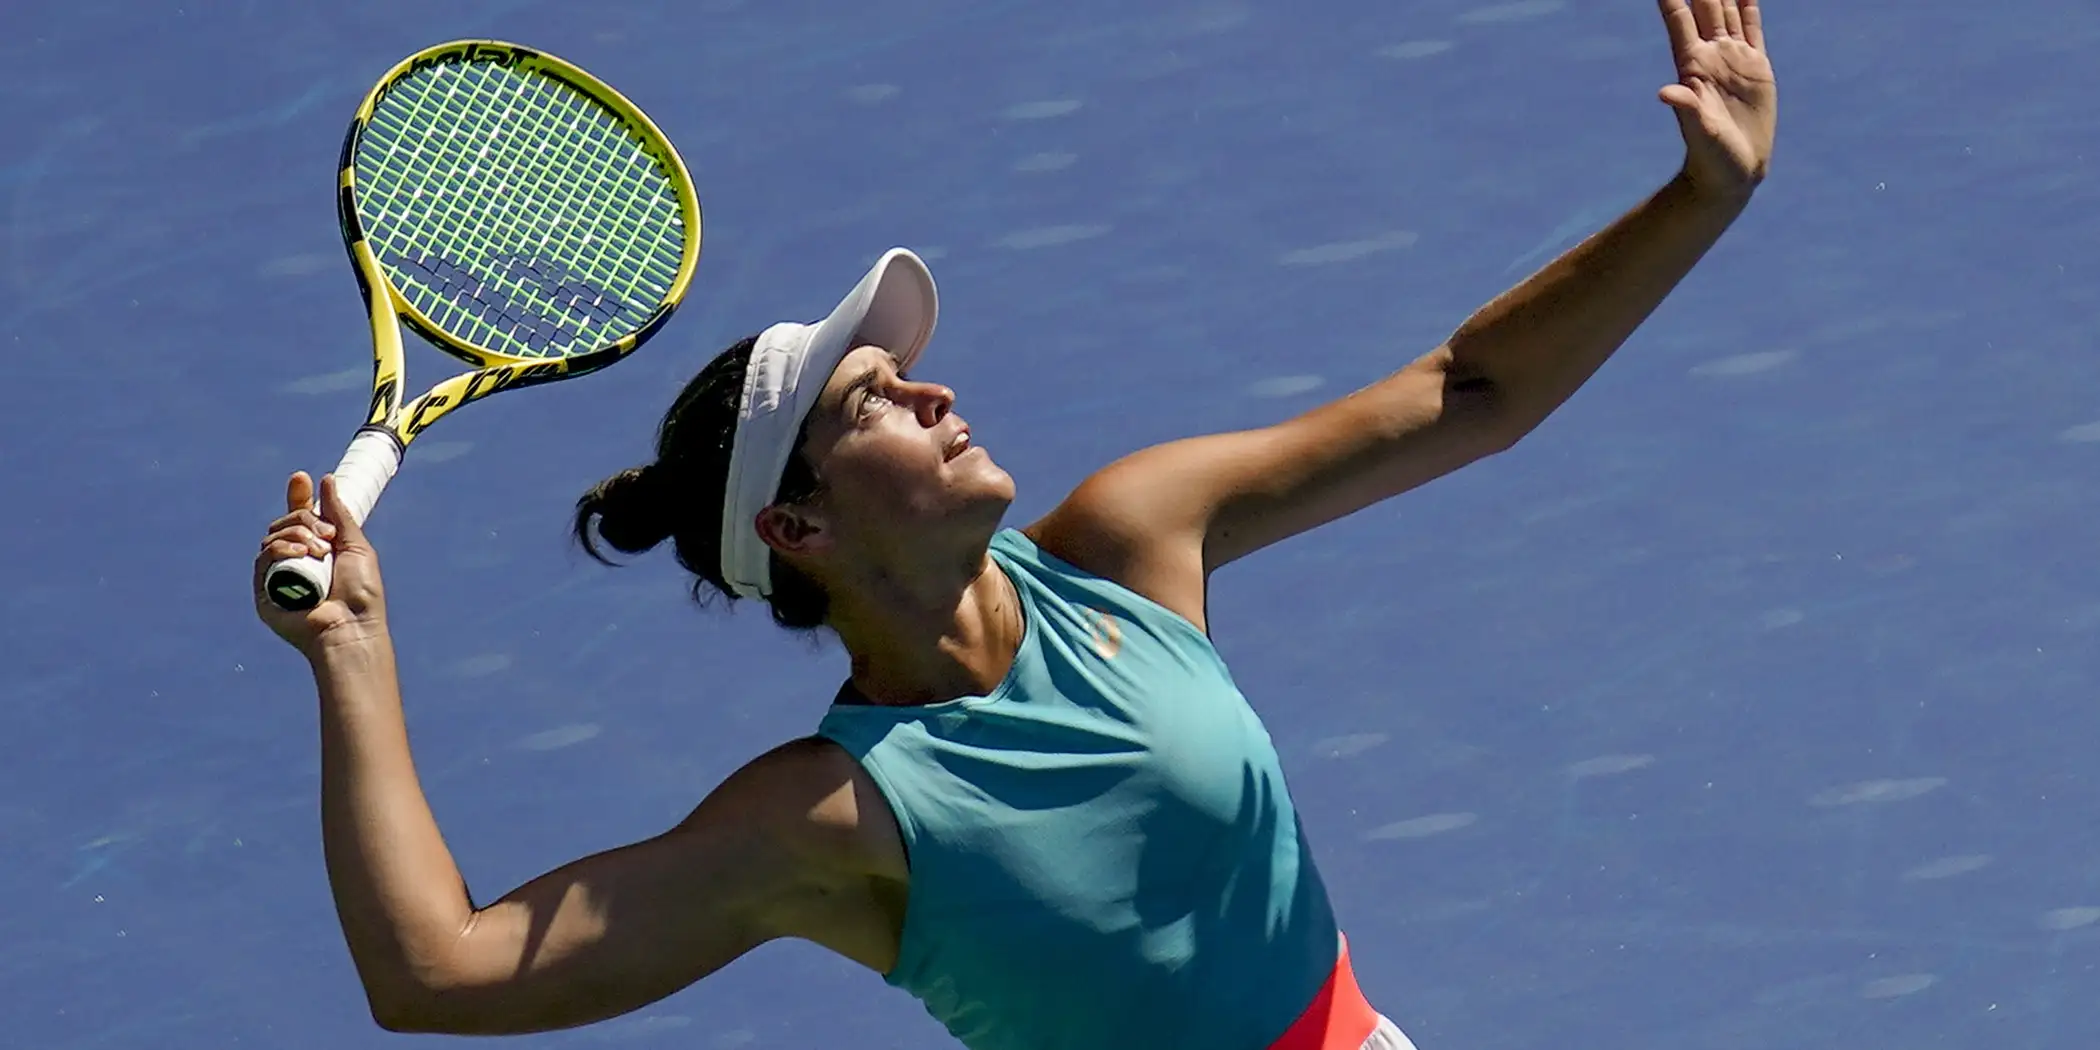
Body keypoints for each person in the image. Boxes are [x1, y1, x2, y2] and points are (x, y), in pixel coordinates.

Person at [252, 2, 1776, 1047]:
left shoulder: (1131, 538)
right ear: (797, 524)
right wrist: (354, 655)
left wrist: (1699, 198)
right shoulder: (819, 820)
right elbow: (436, 970)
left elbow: (1469, 390)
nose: (936, 391)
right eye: (875, 400)